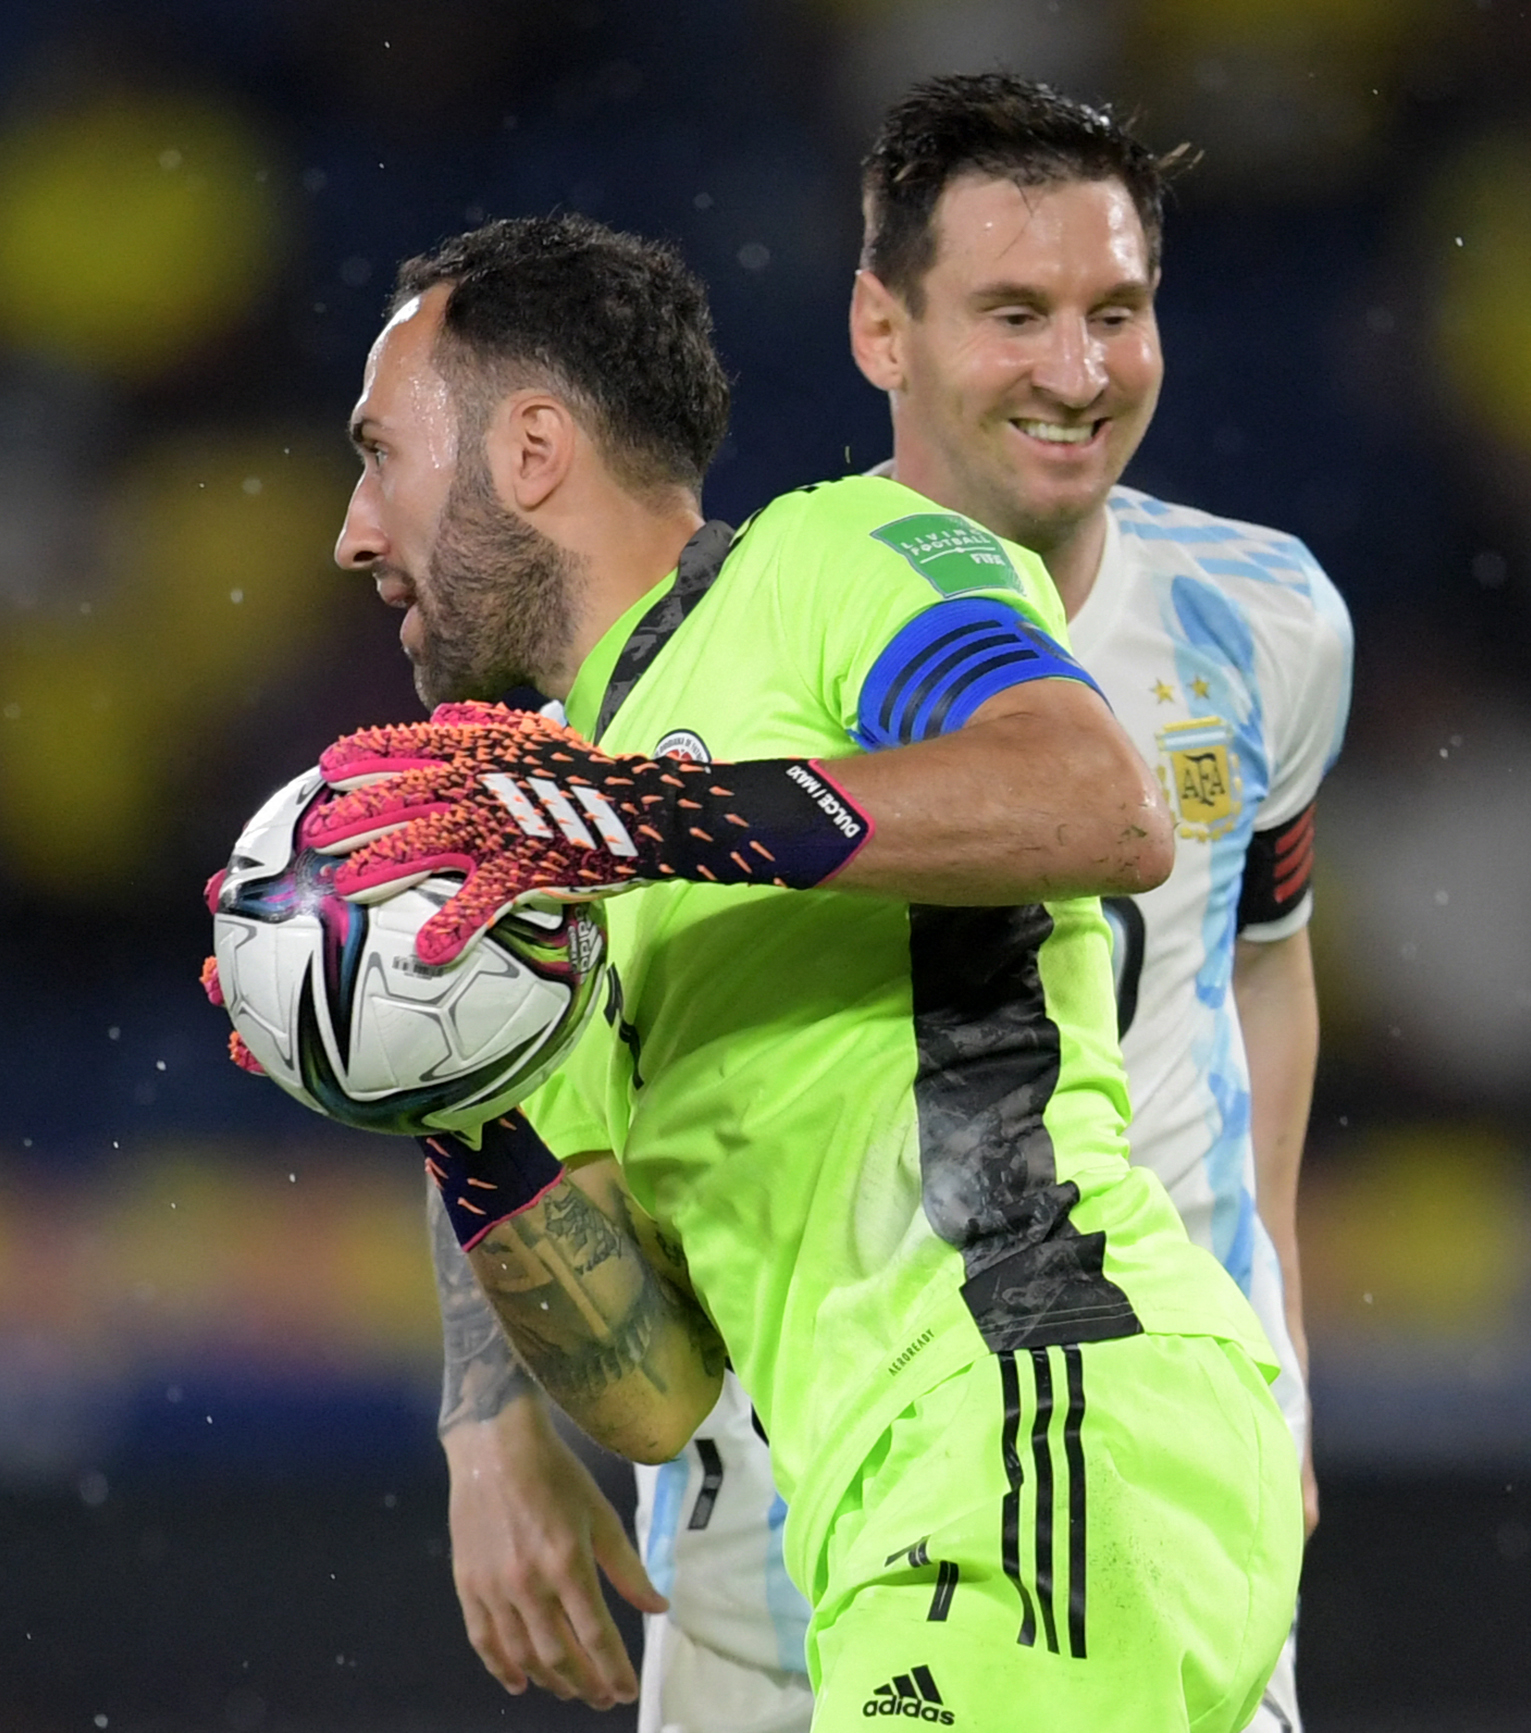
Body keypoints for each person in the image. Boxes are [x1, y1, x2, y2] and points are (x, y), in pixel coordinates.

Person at [431, 78, 1352, 1733]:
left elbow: (1259, 973)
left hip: (1088, 1437)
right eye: (1014, 314)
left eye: (1116, 312)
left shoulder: (1265, 621)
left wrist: (1274, 1328)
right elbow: (493, 1044)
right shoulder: (736, 647)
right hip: (768, 1496)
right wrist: (490, 1417)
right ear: (881, 329)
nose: (1077, 372)